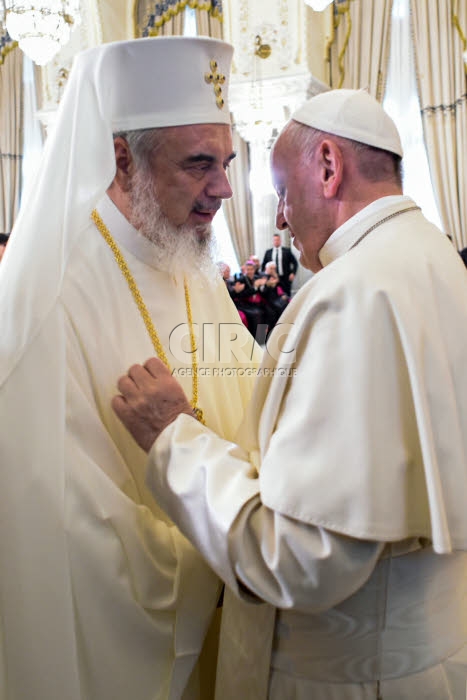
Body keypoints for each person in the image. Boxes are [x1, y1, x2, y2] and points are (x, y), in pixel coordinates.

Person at [112, 88, 467, 699]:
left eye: (281, 188)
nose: (278, 216)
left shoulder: (356, 292)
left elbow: (300, 556)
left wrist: (174, 437)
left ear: (328, 166)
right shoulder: (431, 256)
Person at [0, 37, 262, 700]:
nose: (223, 189)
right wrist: (218, 549)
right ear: (122, 159)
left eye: (227, 162)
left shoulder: (187, 258)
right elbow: (55, 521)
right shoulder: (57, 289)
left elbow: (252, 400)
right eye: (198, 163)